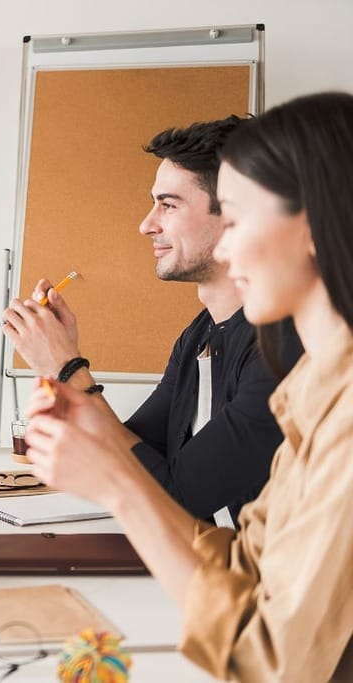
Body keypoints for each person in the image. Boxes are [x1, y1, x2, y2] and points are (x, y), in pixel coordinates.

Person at [26, 91, 353, 681]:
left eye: (240, 217)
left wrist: (119, 484)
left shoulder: (329, 398)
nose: (228, 246)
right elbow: (248, 560)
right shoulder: (310, 388)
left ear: (311, 222)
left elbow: (272, 663)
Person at [1, 116, 301, 525]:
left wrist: (67, 367)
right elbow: (135, 456)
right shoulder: (198, 335)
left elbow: (177, 495)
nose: (147, 224)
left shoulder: (286, 344)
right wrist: (57, 368)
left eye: (169, 205)